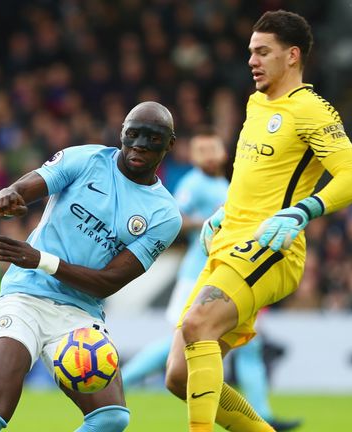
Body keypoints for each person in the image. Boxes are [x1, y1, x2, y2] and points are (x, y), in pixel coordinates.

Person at [164, 10, 352, 432]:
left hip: (270, 245)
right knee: (179, 377)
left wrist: (302, 211)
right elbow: (255, 176)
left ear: (292, 56)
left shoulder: (312, 109)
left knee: (198, 324)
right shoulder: (257, 104)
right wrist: (223, 213)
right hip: (228, 242)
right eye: (250, 52)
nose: (252, 61)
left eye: (263, 52)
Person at [0, 101, 183, 432]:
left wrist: (40, 260)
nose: (139, 145)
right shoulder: (85, 159)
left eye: (152, 138)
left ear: (169, 144)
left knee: (112, 417)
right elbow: (24, 188)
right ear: (122, 133)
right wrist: (8, 196)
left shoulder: (165, 215)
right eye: (133, 134)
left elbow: (108, 282)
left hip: (79, 315)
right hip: (25, 297)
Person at [122, 130, 301, 430]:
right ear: (192, 156)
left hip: (232, 271)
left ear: (223, 153)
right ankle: (120, 383)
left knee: (246, 346)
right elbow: (176, 218)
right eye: (199, 150)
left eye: (211, 148)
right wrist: (211, 222)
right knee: (180, 345)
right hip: (198, 273)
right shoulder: (194, 183)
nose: (206, 155)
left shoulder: (226, 185)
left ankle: (262, 414)